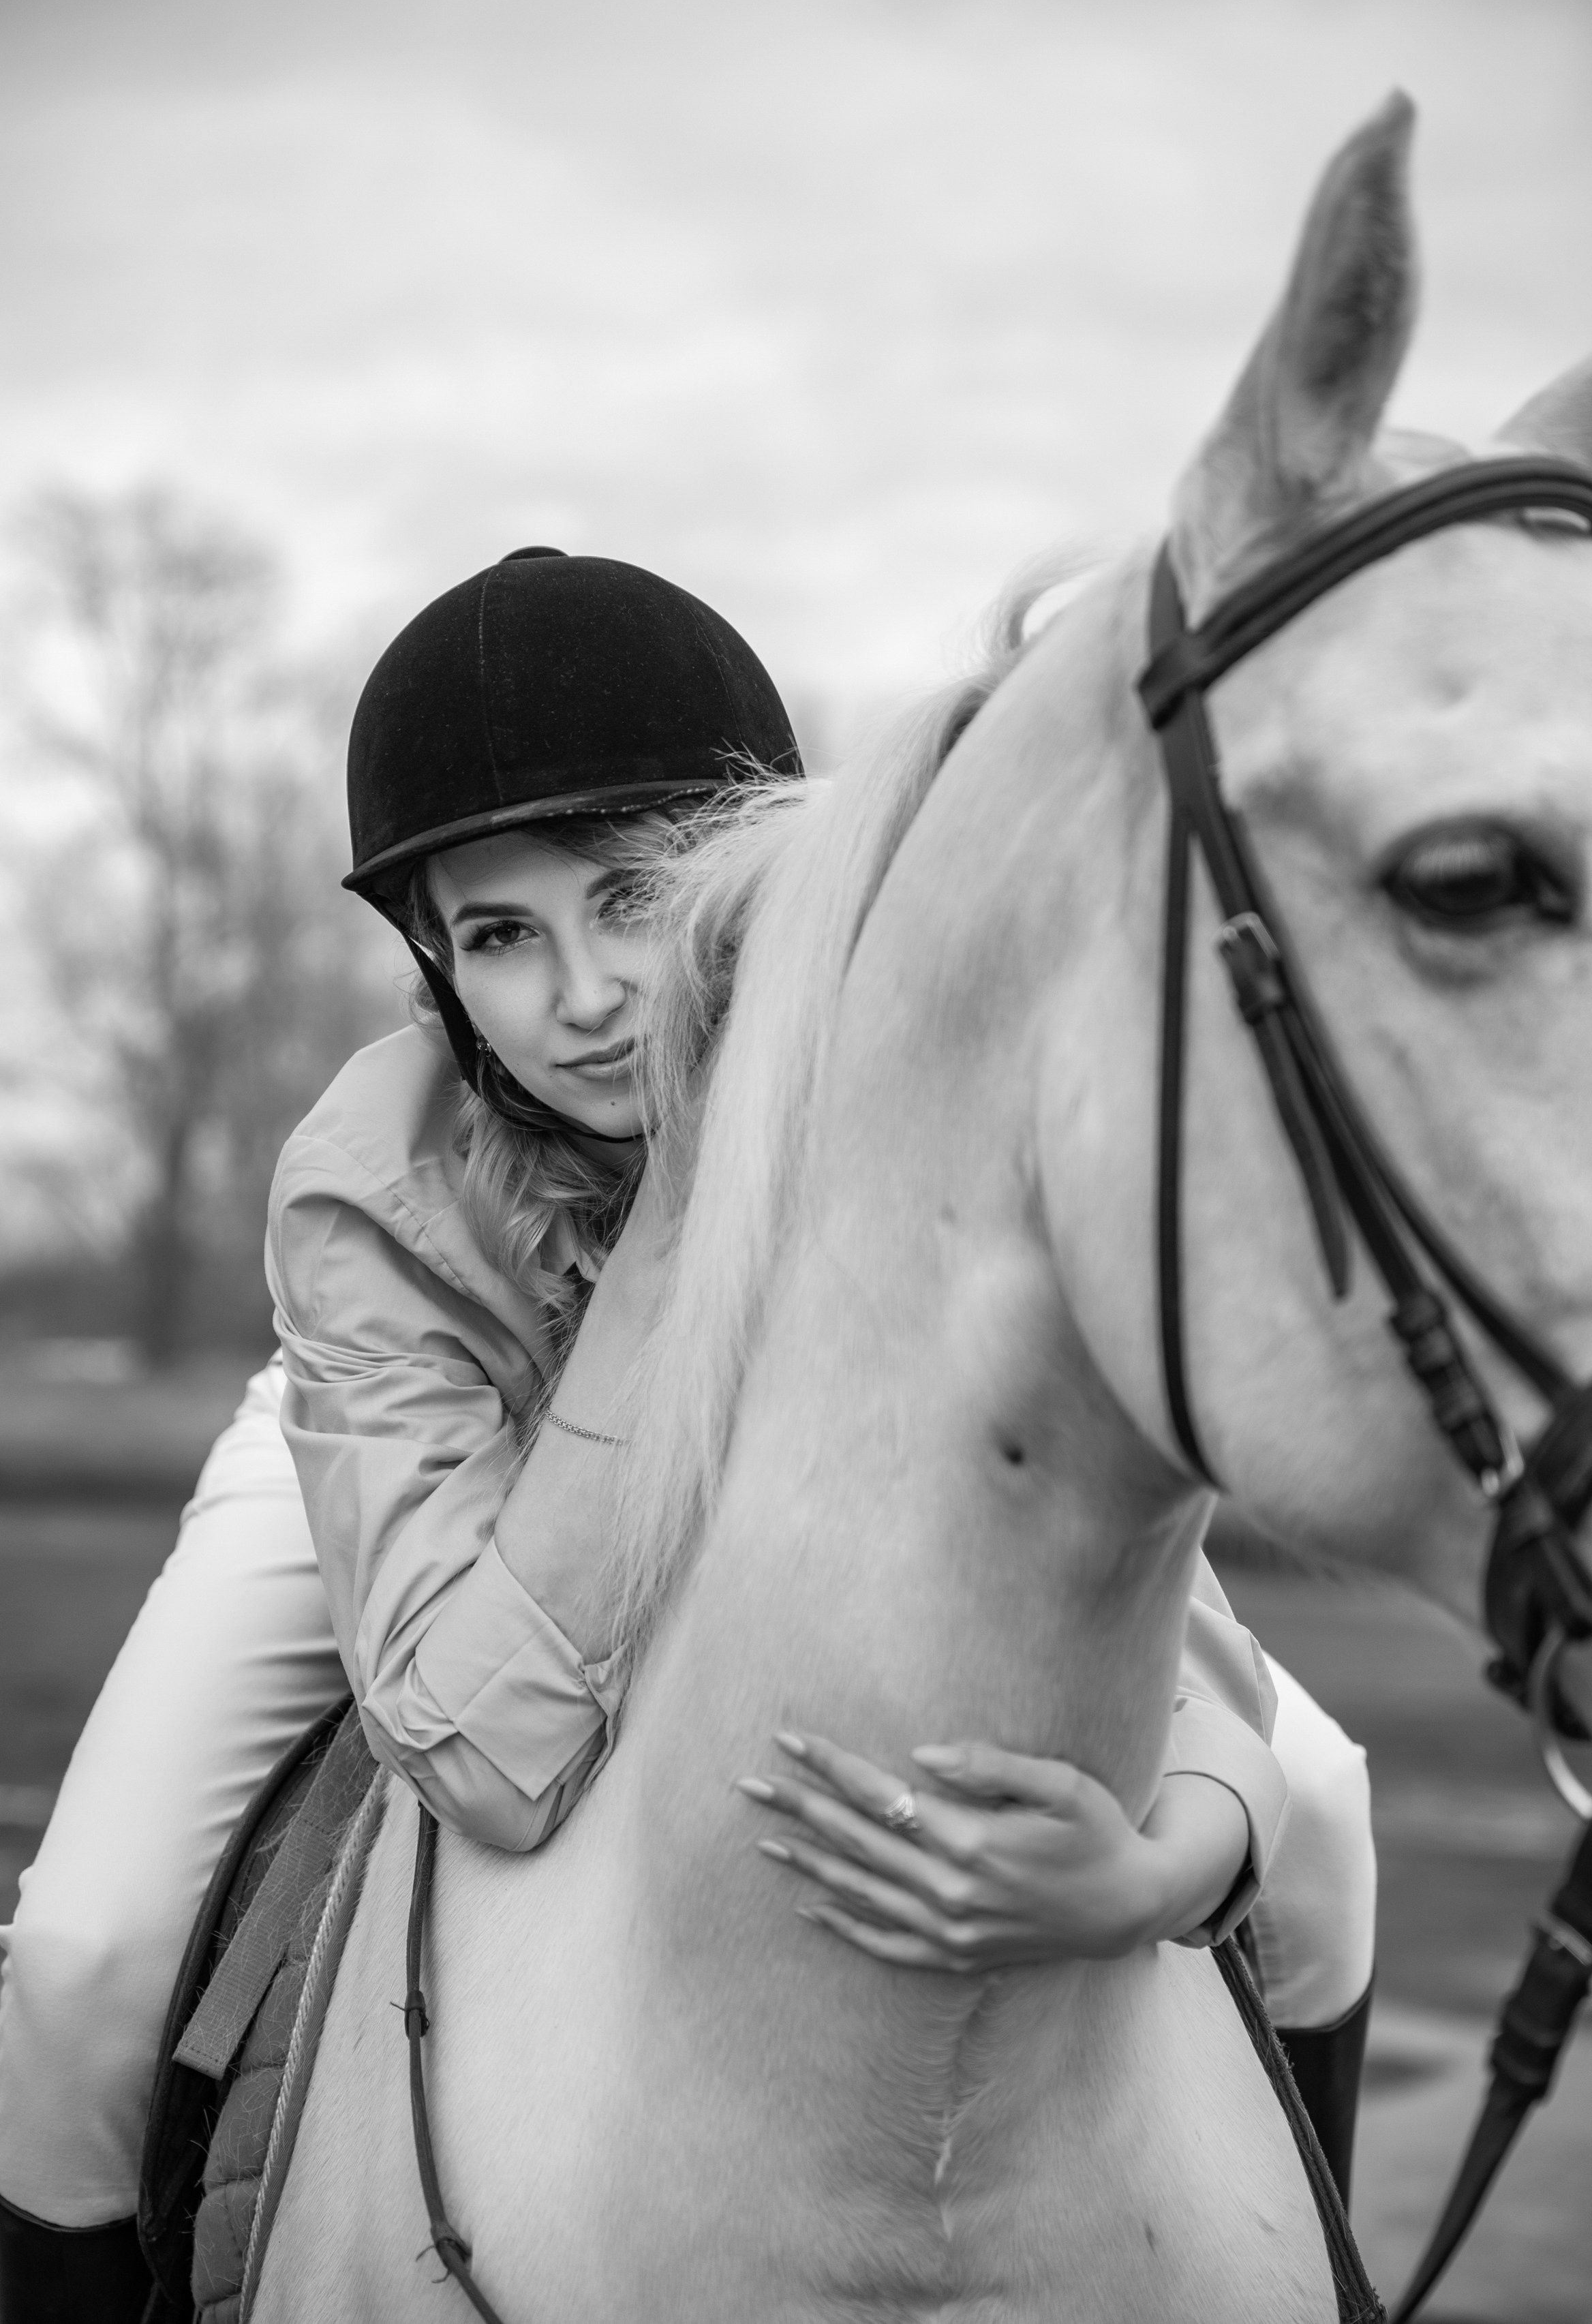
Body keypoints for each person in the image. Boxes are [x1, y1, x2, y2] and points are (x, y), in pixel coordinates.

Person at [0, 547, 1373, 2322]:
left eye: (634, 897)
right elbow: (485, 1757)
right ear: (435, 962)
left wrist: (1167, 1861)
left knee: (1319, 1809)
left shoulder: (905, 1091)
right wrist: (679, 1225)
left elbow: (1132, 1609)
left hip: (754, 1449)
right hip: (431, 1418)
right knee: (84, 1957)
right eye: (499, 933)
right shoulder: (368, 1184)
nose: (581, 995)